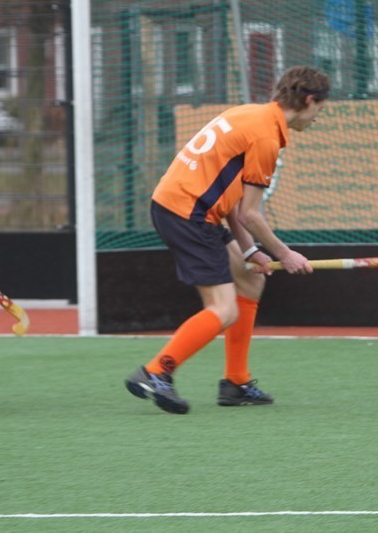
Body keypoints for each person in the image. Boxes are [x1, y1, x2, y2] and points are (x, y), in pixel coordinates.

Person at [126, 65, 330, 414]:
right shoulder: (266, 138)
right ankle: (157, 372)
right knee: (223, 309)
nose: (317, 118)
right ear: (309, 100)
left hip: (181, 206)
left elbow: (233, 199)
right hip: (189, 214)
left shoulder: (249, 115)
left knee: (250, 281)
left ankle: (236, 383)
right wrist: (285, 254)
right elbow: (251, 214)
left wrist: (250, 251)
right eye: (320, 110)